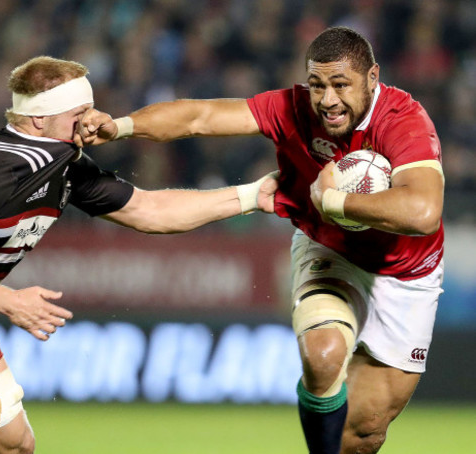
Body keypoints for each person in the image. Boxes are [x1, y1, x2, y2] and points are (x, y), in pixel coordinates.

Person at [0, 56, 276, 454]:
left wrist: (251, 195)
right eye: (80, 112)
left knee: (15, 446)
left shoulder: (64, 166)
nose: (92, 121)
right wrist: (10, 302)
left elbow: (149, 210)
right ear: (39, 121)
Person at [77, 26, 444, 454]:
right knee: (323, 356)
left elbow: (422, 213)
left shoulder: (403, 120)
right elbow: (201, 117)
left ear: (372, 77)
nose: (327, 100)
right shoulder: (289, 107)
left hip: (408, 275)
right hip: (330, 250)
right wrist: (120, 127)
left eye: (340, 85)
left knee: (362, 435)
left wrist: (334, 201)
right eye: (317, 85)